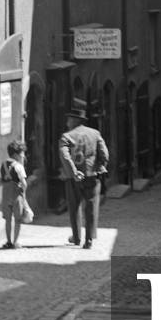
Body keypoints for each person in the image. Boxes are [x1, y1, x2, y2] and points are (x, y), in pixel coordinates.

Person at [58, 97, 109, 249]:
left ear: (74, 120)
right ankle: (89, 240)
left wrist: (74, 172)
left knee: (74, 207)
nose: (67, 122)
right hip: (92, 175)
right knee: (91, 207)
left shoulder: (66, 136)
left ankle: (77, 237)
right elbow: (104, 154)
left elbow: (65, 156)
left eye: (69, 119)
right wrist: (101, 166)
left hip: (73, 178)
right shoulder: (95, 133)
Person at [0, 140, 28, 249]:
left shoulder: (3, 165)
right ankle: (15, 242)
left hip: (6, 195)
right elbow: (24, 183)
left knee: (8, 220)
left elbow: (0, 181)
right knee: (17, 220)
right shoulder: (19, 166)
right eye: (22, 153)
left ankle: (8, 241)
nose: (23, 156)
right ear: (16, 154)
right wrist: (24, 193)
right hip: (16, 196)